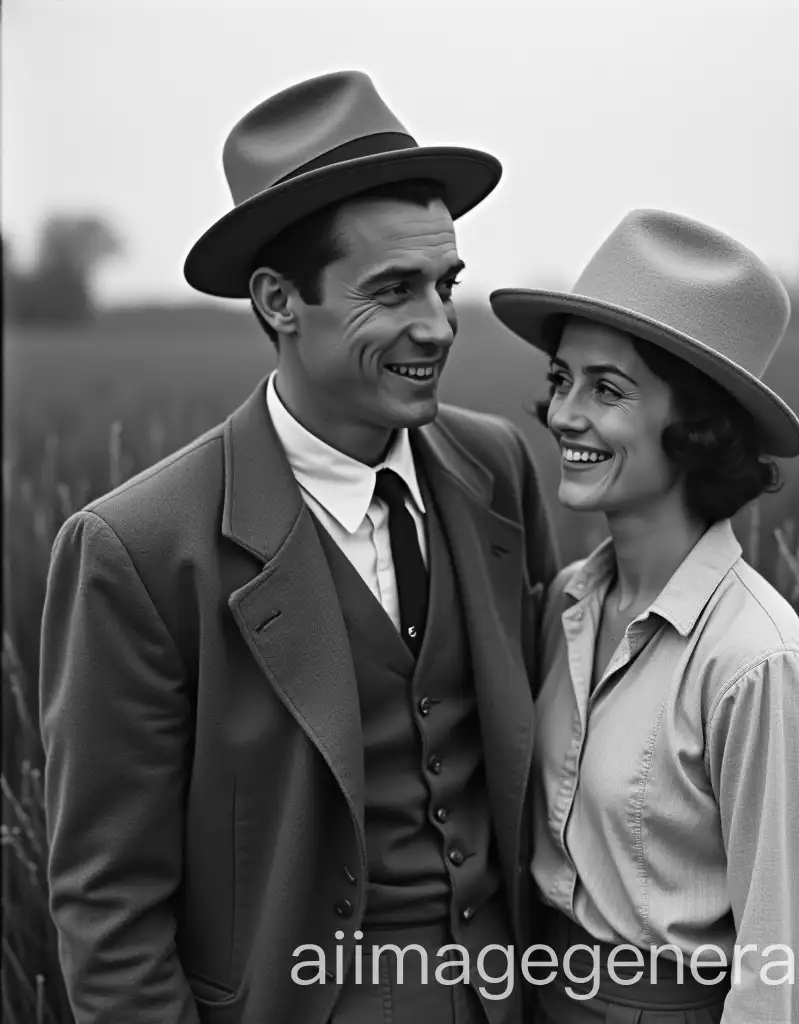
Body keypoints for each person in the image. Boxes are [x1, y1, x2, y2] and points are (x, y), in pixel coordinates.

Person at [39, 70, 559, 1024]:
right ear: (280, 300)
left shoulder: (498, 469)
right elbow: (109, 913)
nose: (439, 326)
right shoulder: (139, 550)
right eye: (393, 290)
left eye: (446, 285)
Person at [489, 209, 799, 1023]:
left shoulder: (756, 662)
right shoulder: (567, 606)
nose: (564, 414)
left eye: (606, 389)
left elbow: (789, 975)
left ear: (699, 428)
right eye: (559, 379)